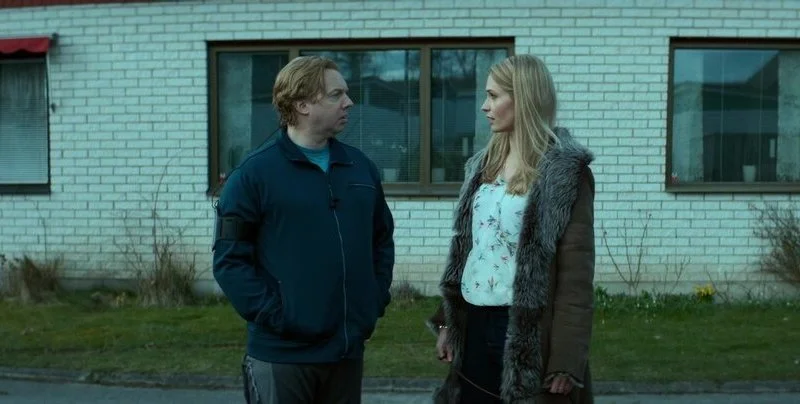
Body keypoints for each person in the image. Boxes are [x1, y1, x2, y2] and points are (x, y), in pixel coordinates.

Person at [212, 55, 395, 404]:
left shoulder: (360, 169)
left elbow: (381, 242)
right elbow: (229, 262)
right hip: (282, 356)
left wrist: (371, 302)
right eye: (336, 95)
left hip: (346, 352)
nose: (349, 102)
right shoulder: (253, 175)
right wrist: (279, 317)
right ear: (302, 104)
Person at [426, 54, 596, 404]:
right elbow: (470, 252)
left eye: (493, 96)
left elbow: (576, 279)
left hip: (526, 331)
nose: (484, 106)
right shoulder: (482, 166)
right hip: (474, 324)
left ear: (524, 99)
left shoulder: (564, 174)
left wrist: (566, 360)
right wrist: (447, 323)